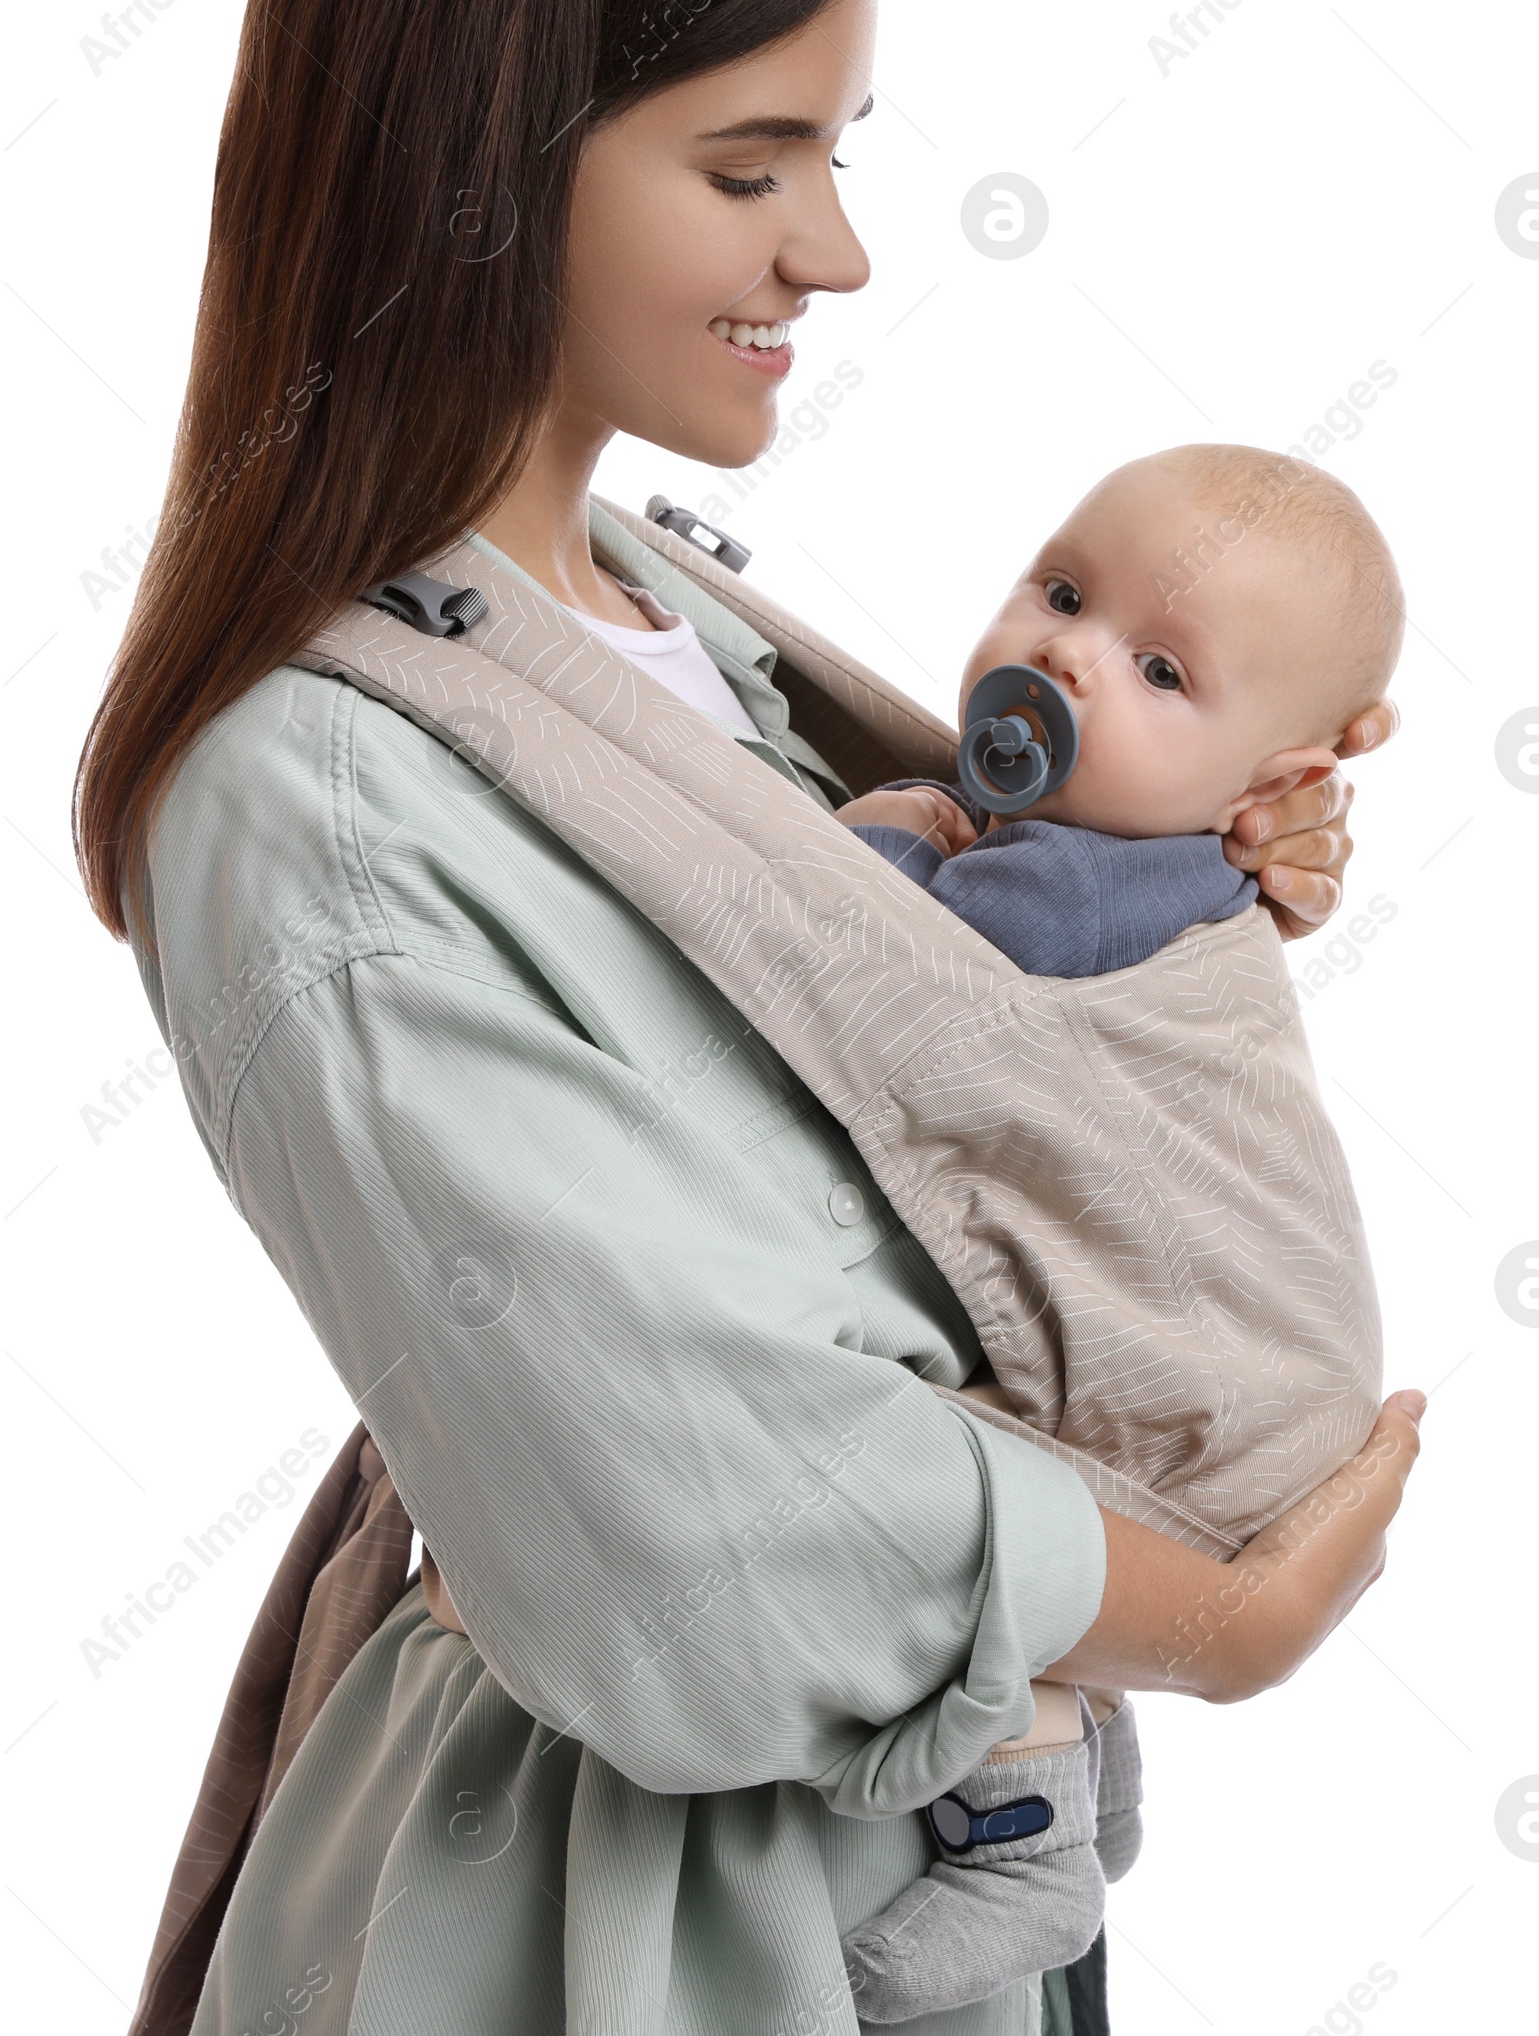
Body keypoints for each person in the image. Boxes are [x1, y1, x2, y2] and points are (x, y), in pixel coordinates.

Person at [72, 6, 1421, 2033]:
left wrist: (1194, 890)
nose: (837, 254)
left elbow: (895, 1107)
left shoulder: (647, 623)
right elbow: (693, 1539)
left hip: (895, 1867)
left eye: (838, 157)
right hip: (606, 1923)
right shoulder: (315, 789)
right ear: (478, 181)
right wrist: (1217, 1616)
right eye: (746, 168)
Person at [831, 443, 1402, 2020]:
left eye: (1158, 668)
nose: (1066, 655)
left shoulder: (1077, 890)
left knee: (966, 1490)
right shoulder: (1146, 857)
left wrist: (884, 837)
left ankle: (1026, 1850)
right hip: (1290, 1387)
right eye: (1062, 592)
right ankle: (1102, 1773)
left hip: (1222, 1388)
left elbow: (881, 986)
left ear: (1276, 785)